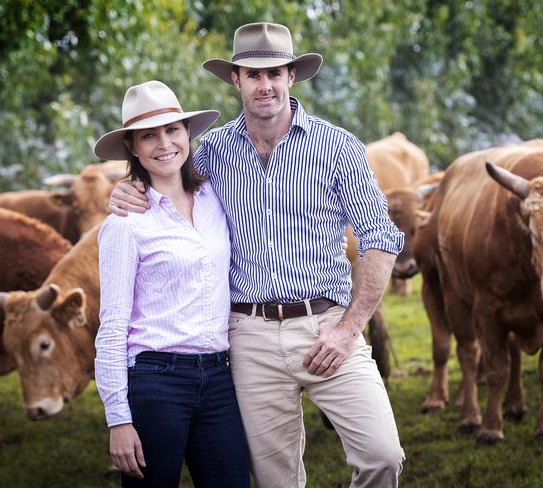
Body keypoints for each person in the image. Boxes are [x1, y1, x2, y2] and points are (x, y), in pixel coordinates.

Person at [109, 22, 406, 487]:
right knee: (274, 480)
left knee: (382, 455)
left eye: (275, 74)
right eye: (252, 74)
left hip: (326, 325)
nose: (264, 85)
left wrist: (350, 329)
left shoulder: (337, 146)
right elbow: (165, 176)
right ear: (236, 80)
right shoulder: (211, 151)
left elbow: (381, 237)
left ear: (292, 76)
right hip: (247, 336)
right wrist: (126, 189)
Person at [93, 80, 250, 487]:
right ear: (132, 147)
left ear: (187, 134)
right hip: (155, 381)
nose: (164, 144)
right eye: (148, 135)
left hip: (218, 377)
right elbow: (111, 325)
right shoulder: (125, 224)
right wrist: (118, 418)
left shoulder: (217, 197)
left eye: (172, 130)